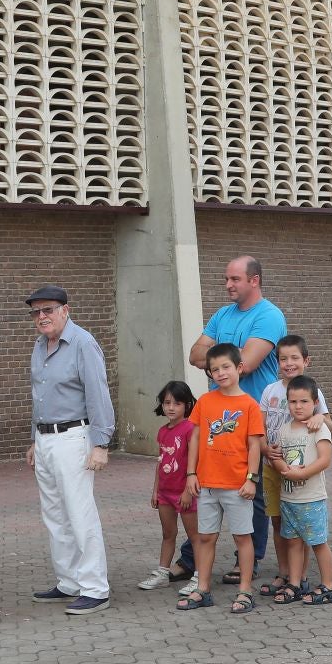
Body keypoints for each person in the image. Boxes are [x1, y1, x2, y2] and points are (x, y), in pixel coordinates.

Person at [186, 256, 286, 583]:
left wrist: (219, 357)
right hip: (218, 416)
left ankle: (250, 559)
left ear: (254, 280)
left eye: (235, 279)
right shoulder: (222, 314)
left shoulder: (269, 316)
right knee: (212, 484)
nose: (228, 285)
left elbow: (249, 363)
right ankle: (194, 557)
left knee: (250, 487)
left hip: (252, 415)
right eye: (226, 279)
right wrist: (226, 359)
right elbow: (194, 354)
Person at [24, 285, 114, 617]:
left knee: (79, 513)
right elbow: (39, 395)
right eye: (35, 312)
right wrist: (34, 438)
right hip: (46, 439)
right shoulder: (39, 346)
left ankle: (95, 588)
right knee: (55, 515)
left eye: (48, 310)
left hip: (75, 437)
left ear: (65, 309)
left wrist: (101, 444)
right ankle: (69, 582)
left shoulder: (83, 343)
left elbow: (98, 393)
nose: (41, 317)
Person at [176, 344, 264, 612]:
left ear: (239, 368)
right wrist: (191, 473)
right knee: (205, 538)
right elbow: (196, 439)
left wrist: (251, 478)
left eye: (226, 367)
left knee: (242, 538)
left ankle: (245, 591)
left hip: (237, 486)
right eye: (215, 369)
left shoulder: (249, 405)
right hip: (206, 484)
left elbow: (254, 446)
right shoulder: (205, 402)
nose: (221, 373)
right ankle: (202, 589)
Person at [258, 335, 324, 598]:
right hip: (271, 468)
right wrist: (264, 448)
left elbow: (328, 424)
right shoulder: (269, 391)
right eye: (283, 359)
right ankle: (284, 573)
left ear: (306, 361)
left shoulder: (312, 391)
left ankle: (302, 576)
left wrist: (320, 417)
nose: (289, 363)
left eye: (295, 358)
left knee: (299, 524)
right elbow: (259, 428)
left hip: (300, 472)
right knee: (278, 522)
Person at [266, 376, 332, 606]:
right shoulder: (285, 430)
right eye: (293, 401)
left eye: (304, 401)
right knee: (293, 542)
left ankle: (328, 585)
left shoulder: (318, 428)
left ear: (315, 402)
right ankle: (295, 583)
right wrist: (282, 466)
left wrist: (302, 474)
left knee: (318, 542)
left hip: (311, 498)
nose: (298, 406)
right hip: (289, 499)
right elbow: (278, 457)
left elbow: (325, 460)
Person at [138, 381, 197, 591]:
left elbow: (194, 462)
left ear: (187, 404)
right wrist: (155, 490)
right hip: (165, 493)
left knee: (195, 536)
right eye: (167, 402)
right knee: (168, 533)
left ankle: (200, 576)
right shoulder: (163, 431)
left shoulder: (191, 429)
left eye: (177, 403)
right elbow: (161, 462)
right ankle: (162, 572)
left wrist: (187, 491)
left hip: (185, 493)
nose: (171, 407)